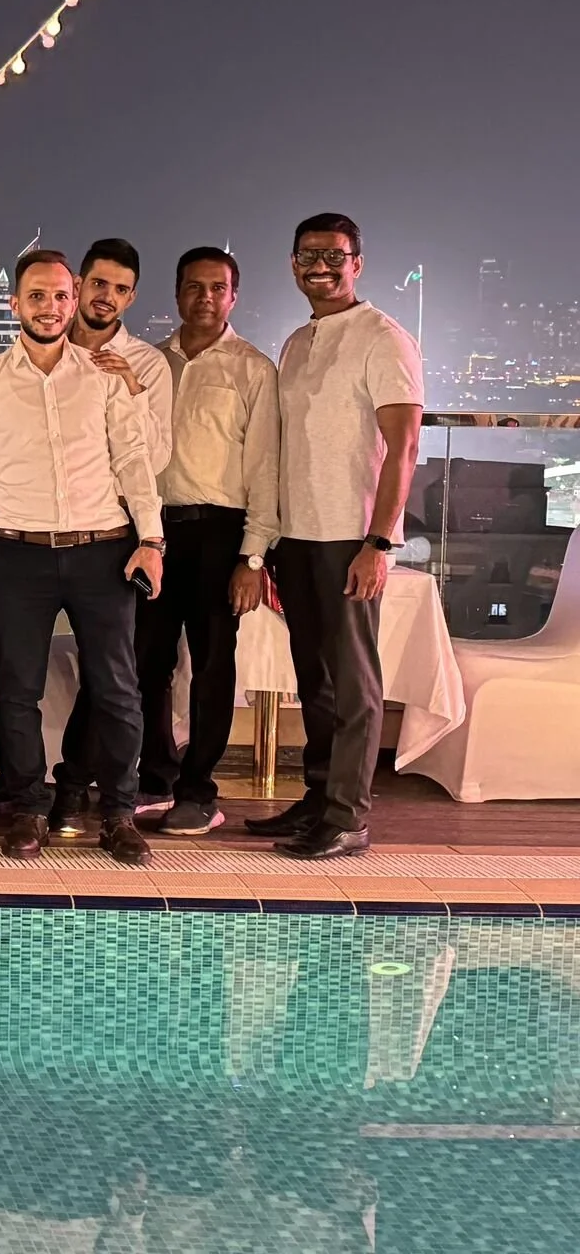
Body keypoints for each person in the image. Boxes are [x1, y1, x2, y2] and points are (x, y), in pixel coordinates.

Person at [0, 249, 166, 865]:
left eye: (61, 296)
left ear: (74, 302)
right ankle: (27, 808)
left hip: (104, 550)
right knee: (16, 690)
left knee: (118, 688)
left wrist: (151, 540)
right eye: (37, 296)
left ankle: (119, 813)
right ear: (15, 305)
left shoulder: (103, 376)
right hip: (18, 552)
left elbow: (133, 461)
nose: (51, 307)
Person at [250, 213, 422, 859]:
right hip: (297, 538)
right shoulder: (297, 341)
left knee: (354, 684)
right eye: (307, 255)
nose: (320, 266)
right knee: (314, 679)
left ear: (358, 261)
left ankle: (348, 817)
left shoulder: (384, 337)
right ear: (294, 264)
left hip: (350, 538)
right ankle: (318, 800)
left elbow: (404, 446)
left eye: (334, 255)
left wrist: (379, 544)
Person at [135, 249, 280, 836]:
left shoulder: (252, 369)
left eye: (216, 288)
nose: (204, 298)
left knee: (214, 666)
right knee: (146, 660)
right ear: (176, 294)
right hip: (152, 532)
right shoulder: (147, 364)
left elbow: (266, 468)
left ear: (233, 297)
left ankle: (200, 789)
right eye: (193, 287)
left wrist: (253, 557)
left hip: (222, 533)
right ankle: (155, 777)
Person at [50, 237, 177, 833]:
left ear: (132, 296)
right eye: (98, 283)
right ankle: (53, 785)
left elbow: (156, 456)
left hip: (118, 533)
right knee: (21, 670)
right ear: (79, 282)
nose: (107, 297)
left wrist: (129, 388)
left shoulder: (147, 364)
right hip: (41, 535)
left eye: (121, 289)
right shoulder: (44, 347)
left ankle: (84, 788)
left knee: (113, 672)